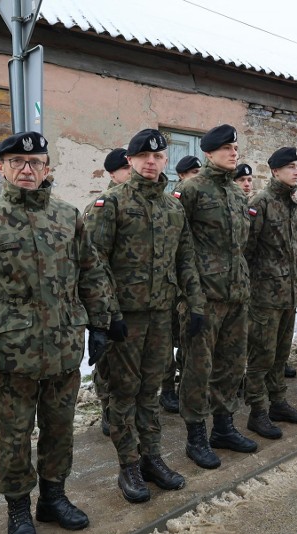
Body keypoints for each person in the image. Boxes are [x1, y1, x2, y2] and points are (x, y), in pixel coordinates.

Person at [0, 131, 114, 534]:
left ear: (47, 168)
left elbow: (91, 272)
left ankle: (53, 499)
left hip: (63, 346)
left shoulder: (68, 215)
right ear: (1, 167)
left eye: (35, 162)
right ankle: (18, 508)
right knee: (15, 435)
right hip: (12, 351)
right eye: (17, 161)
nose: (26, 169)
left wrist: (101, 324)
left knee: (59, 430)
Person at [84, 129, 204, 503]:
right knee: (123, 394)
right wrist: (106, 315)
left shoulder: (172, 208)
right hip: (124, 319)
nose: (151, 162)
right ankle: (129, 467)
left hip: (160, 316)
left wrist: (195, 303)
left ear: (165, 161)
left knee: (150, 392)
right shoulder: (111, 204)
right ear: (131, 161)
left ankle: (152, 458)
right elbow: (94, 263)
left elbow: (185, 259)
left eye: (158, 156)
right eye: (143, 157)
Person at [175, 124, 256, 470]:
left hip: (236, 296)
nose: (233, 153)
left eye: (235, 148)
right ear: (208, 153)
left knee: (232, 365)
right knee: (198, 368)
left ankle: (223, 428)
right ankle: (196, 437)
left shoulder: (238, 195)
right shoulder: (190, 190)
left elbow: (241, 248)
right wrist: (190, 298)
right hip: (203, 298)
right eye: (225, 148)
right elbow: (179, 247)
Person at [242, 147, 297, 437]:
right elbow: (246, 250)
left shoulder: (293, 205)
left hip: (287, 296)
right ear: (275, 171)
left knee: (280, 356)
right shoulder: (261, 202)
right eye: (291, 166)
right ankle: (257, 412)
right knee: (261, 357)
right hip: (264, 297)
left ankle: (278, 402)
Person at [93, 148, 133, 435]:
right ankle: (107, 408)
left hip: (138, 300)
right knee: (108, 362)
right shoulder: (102, 206)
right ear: (113, 173)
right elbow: (94, 262)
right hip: (110, 301)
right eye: (126, 168)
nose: (132, 171)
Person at [160, 155, 203, 415]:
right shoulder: (178, 198)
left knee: (185, 339)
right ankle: (167, 389)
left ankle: (178, 385)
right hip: (172, 284)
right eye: (195, 171)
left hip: (188, 280)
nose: (199, 175)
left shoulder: (196, 197)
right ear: (183, 174)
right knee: (167, 340)